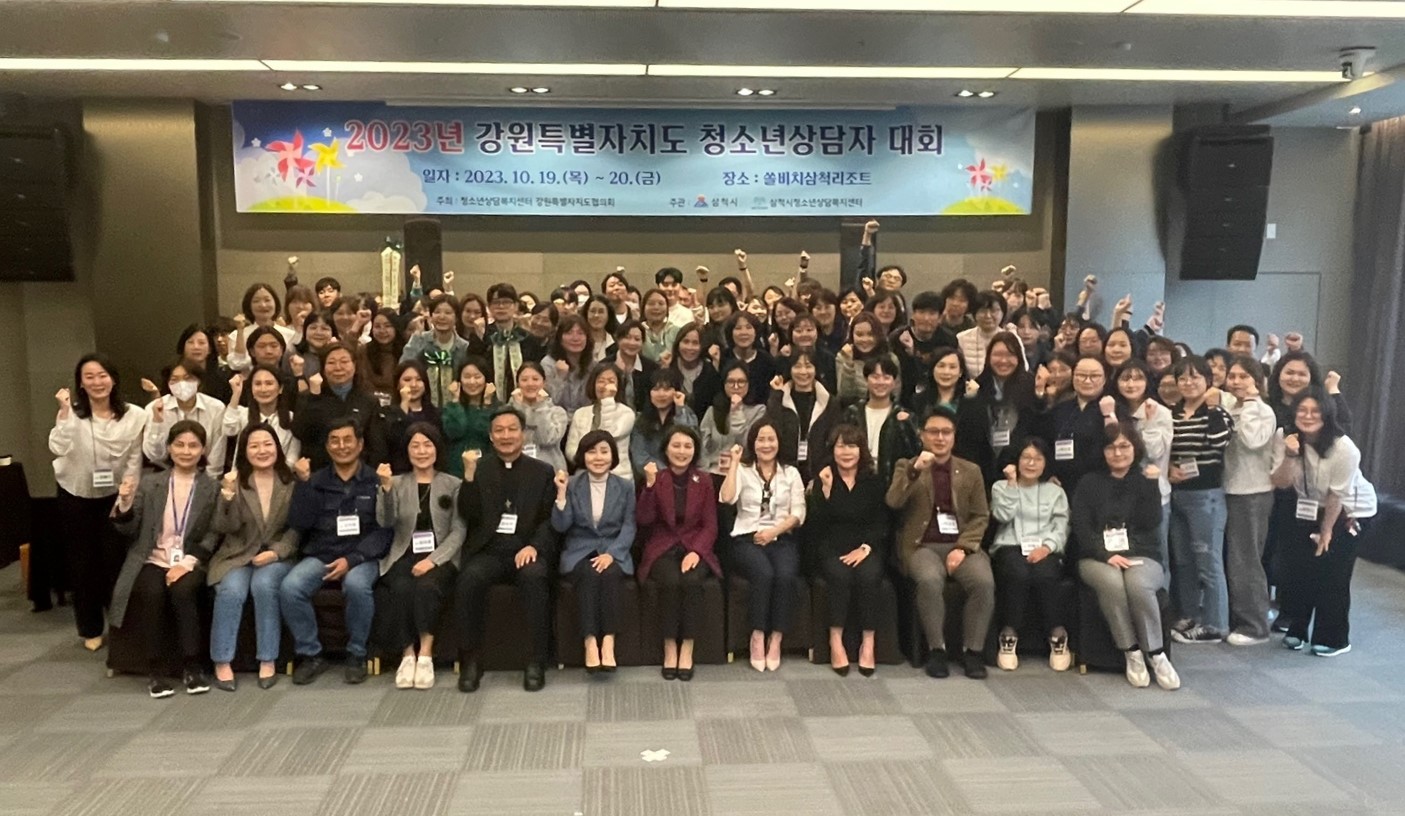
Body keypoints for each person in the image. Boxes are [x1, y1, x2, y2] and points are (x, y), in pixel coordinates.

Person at [108, 420, 220, 698]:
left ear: (203, 450)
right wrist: (124, 503)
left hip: (190, 560)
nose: (186, 451)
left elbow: (213, 533)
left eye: (193, 445)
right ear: (169, 448)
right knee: (151, 593)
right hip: (151, 558)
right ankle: (155, 671)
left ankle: (192, 666)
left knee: (183, 591)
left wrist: (188, 562)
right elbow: (128, 529)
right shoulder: (150, 483)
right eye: (179, 445)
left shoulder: (211, 487)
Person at [453, 407, 557, 692]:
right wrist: (469, 477)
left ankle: (536, 661)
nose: (506, 435)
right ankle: (471, 661)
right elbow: (469, 514)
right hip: (489, 550)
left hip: (526, 548)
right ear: (490, 436)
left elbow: (550, 519)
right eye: (499, 430)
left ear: (523, 434)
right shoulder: (480, 468)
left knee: (535, 577)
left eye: (512, 429)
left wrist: (535, 546)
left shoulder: (542, 471)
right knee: (468, 579)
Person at [1072, 421, 1181, 690]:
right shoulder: (1088, 483)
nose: (1118, 453)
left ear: (1135, 448)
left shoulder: (1146, 480)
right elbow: (1081, 528)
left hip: (1142, 555)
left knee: (1138, 583)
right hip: (1095, 557)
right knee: (1112, 582)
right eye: (1111, 447)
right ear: (1102, 451)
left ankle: (1156, 653)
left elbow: (1151, 524)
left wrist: (1153, 486)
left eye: (1124, 446)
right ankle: (1131, 651)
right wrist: (1105, 554)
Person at [886, 408, 993, 680]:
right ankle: (937, 650)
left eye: (946, 432)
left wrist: (963, 547)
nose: (940, 438)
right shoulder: (906, 465)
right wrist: (914, 472)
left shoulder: (971, 470)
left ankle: (973, 651)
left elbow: (980, 515)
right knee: (930, 580)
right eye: (933, 432)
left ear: (954, 436)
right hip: (921, 546)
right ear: (922, 435)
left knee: (983, 582)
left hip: (962, 544)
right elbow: (893, 502)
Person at [282, 419, 391, 685]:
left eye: (348, 440)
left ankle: (356, 654)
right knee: (290, 587)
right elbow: (300, 523)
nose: (342, 446)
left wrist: (352, 560)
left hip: (362, 557)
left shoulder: (375, 480)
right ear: (327, 446)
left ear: (360, 444)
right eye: (335, 440)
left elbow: (385, 530)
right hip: (323, 554)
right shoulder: (314, 481)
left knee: (356, 585)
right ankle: (311, 654)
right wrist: (303, 484)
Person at [49, 354, 147, 649]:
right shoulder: (72, 414)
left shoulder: (134, 415)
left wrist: (128, 494)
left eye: (102, 375)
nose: (97, 382)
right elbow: (57, 447)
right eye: (89, 377)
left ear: (113, 379)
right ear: (80, 383)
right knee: (82, 564)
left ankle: (120, 628)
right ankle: (90, 628)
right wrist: (64, 413)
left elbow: (134, 457)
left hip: (116, 495)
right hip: (75, 493)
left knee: (115, 563)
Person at [1270, 390, 1377, 657]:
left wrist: (1327, 530)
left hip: (1351, 510)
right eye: (1302, 410)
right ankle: (1298, 629)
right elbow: (1280, 482)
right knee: (1301, 568)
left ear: (1327, 415)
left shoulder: (1344, 448)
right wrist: (1290, 455)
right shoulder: (1285, 437)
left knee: (1333, 572)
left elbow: (1337, 495)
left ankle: (1334, 638)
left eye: (1315, 411)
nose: (1308, 416)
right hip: (1310, 507)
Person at [208, 424, 298, 691]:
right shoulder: (234, 481)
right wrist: (227, 497)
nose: (262, 450)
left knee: (264, 585)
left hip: (277, 556)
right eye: (254, 445)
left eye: (268, 444)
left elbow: (297, 528)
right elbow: (224, 527)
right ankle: (222, 660)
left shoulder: (291, 482)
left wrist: (276, 552)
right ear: (245, 451)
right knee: (231, 591)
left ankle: (268, 659)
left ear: (277, 448)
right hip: (238, 553)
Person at [375, 423, 465, 690]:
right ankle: (407, 655)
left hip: (441, 556)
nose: (422, 451)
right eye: (415, 446)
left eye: (427, 445)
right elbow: (385, 521)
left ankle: (425, 653)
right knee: (401, 588)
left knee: (427, 587)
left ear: (437, 449)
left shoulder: (453, 483)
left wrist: (432, 560)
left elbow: (459, 531)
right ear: (407, 450)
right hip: (404, 552)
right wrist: (386, 490)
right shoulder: (396, 482)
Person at [719, 420, 806, 672]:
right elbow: (726, 498)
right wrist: (734, 464)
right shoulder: (743, 470)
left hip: (781, 537)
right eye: (761, 439)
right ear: (752, 443)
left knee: (785, 576)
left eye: (771, 439)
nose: (766, 445)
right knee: (764, 574)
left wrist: (773, 532)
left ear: (779, 443)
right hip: (747, 538)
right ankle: (757, 636)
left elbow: (799, 513)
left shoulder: (791, 473)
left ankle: (775, 638)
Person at [637, 426, 721, 681]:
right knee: (671, 582)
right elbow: (644, 519)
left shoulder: (704, 480)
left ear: (695, 450)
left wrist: (697, 551)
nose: (681, 451)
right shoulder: (657, 478)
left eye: (687, 446)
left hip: (696, 546)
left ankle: (687, 647)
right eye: (676, 445)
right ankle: (670, 647)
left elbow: (710, 525)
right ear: (666, 449)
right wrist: (649, 487)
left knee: (692, 581)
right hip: (663, 546)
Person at [552, 430, 637, 673]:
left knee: (609, 574)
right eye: (591, 452)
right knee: (589, 574)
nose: (598, 457)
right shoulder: (571, 484)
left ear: (613, 456)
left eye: (604, 451)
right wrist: (561, 495)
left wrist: (612, 553)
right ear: (582, 456)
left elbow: (630, 526)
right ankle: (590, 642)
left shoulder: (625, 486)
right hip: (580, 550)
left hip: (613, 549)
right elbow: (561, 526)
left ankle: (608, 642)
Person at [808, 425, 888, 676]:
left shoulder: (873, 480)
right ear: (832, 450)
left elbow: (882, 521)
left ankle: (868, 643)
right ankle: (835, 641)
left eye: (852, 446)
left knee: (869, 576)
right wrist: (825, 491)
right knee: (840, 576)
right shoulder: (824, 477)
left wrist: (866, 547)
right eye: (840, 446)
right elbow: (816, 523)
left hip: (865, 545)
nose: (846, 452)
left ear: (861, 450)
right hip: (832, 546)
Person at [1167, 355, 1235, 644]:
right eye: (1182, 378)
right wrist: (1169, 470)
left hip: (1206, 497)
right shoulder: (1171, 413)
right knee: (1184, 562)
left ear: (1208, 380)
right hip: (1177, 495)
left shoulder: (1217, 413)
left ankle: (1216, 625)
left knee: (1208, 561)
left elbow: (1221, 443)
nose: (1188, 383)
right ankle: (1190, 615)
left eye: (1195, 377)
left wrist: (1212, 408)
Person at [990, 439, 1071, 672]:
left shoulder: (1055, 491)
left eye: (1037, 459)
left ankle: (1057, 634)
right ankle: (1009, 635)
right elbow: (1002, 516)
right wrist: (1012, 484)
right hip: (1010, 545)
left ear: (1046, 463)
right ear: (1016, 460)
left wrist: (1047, 547)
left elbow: (1062, 525)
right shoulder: (1000, 487)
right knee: (1018, 573)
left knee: (1046, 574)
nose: (1031, 463)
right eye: (1026, 457)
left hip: (1045, 547)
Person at [1220, 356, 1278, 647]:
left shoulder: (1262, 410)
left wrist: (1251, 403)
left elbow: (1252, 441)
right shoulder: (1230, 406)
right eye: (1232, 376)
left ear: (1257, 381)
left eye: (1244, 376)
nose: (1236, 382)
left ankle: (1255, 626)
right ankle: (1237, 617)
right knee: (1232, 560)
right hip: (1228, 489)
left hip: (1252, 493)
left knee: (1246, 561)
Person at [1114, 359, 1173, 581]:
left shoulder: (1159, 411)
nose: (1131, 384)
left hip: (1154, 493)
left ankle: (1161, 600)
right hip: (1121, 493)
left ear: (1148, 381)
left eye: (1138, 378)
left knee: (1158, 556)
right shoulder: (1115, 411)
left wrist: (1148, 423)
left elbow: (1155, 452)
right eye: (1125, 378)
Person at [291, 342, 388, 471]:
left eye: (344, 362)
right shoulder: (309, 397)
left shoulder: (368, 400)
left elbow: (377, 445)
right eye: (331, 363)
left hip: (360, 473)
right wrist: (314, 397)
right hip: (320, 472)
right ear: (323, 368)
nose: (338, 368)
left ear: (355, 365)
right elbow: (300, 432)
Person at [1037, 355, 1124, 494]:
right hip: (1062, 486)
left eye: (1094, 376)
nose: (1087, 381)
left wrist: (1109, 416)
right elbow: (1045, 444)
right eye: (1081, 375)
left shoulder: (1114, 409)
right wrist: (1049, 473)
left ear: (1104, 379)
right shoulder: (1060, 409)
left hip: (1103, 487)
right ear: (1073, 377)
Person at [141, 360, 228, 479]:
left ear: (198, 381)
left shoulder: (216, 408)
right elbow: (154, 455)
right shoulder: (154, 408)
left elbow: (217, 450)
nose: (182, 384)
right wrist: (157, 422)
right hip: (164, 473)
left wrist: (209, 482)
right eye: (174, 380)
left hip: (204, 474)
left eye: (187, 378)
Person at [844, 357, 917, 487]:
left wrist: (907, 425)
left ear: (894, 382)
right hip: (857, 481)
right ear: (866, 379)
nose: (880, 382)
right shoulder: (853, 412)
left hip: (893, 483)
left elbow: (914, 452)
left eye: (886, 377)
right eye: (875, 377)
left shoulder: (904, 416)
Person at [766, 351, 839, 482]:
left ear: (816, 369)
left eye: (808, 366)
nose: (803, 371)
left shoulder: (829, 402)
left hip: (820, 474)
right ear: (790, 369)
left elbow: (833, 441)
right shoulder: (780, 399)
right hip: (784, 474)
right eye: (797, 366)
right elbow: (771, 428)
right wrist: (776, 394)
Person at [565, 362, 635, 480]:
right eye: (601, 381)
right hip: (585, 475)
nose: (605, 386)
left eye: (611, 381)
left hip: (618, 476)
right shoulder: (580, 413)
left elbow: (608, 435)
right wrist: (589, 462)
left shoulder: (626, 413)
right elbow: (571, 450)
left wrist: (608, 400)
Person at [400, 294, 470, 408]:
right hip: (423, 407)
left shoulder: (464, 347)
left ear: (457, 318)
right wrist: (416, 337)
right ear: (431, 316)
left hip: (455, 408)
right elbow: (403, 367)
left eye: (448, 313)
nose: (442, 317)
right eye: (437, 312)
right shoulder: (420, 340)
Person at [699, 360, 766, 475]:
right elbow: (702, 448)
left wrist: (737, 412)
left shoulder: (759, 411)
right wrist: (705, 473)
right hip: (714, 472)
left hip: (744, 473)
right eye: (730, 381)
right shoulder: (712, 411)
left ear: (748, 384)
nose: (736, 386)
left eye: (741, 382)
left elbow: (748, 446)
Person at [892, 291, 958, 406]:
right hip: (903, 398)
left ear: (940, 317)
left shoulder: (948, 340)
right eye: (921, 312)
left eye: (932, 313)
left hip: (937, 398)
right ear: (913, 315)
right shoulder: (897, 338)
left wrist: (913, 353)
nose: (926, 318)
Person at [481, 282, 546, 396]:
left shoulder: (529, 339)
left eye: (506, 302)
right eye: (496, 302)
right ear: (489, 307)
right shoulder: (482, 336)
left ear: (516, 306)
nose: (501, 307)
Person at [632, 368, 698, 476]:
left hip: (684, 475)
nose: (661, 394)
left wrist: (680, 409)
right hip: (651, 476)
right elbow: (640, 456)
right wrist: (666, 473)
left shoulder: (686, 414)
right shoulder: (641, 420)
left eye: (667, 389)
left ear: (676, 391)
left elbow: (689, 442)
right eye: (656, 389)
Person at [442, 357, 499, 478]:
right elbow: (455, 431)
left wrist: (487, 404)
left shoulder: (497, 408)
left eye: (477, 377)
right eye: (467, 377)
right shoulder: (451, 407)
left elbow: (485, 432)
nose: (472, 382)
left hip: (487, 471)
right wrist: (455, 401)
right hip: (456, 471)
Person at [511, 361, 570, 473]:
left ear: (544, 383)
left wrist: (540, 407)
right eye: (524, 380)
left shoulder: (558, 413)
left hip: (550, 469)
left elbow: (546, 439)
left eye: (535, 379)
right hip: (517, 470)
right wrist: (520, 408)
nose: (530, 384)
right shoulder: (509, 412)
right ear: (518, 384)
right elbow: (513, 439)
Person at [226, 283, 296, 373]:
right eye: (256, 301)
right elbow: (237, 364)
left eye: (267, 300)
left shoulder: (290, 334)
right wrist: (240, 331)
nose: (263, 305)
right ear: (249, 305)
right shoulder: (237, 335)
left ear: (275, 302)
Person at [722, 312, 778, 407]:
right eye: (738, 328)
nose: (744, 332)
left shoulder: (767, 361)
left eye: (748, 327)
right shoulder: (723, 358)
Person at [543, 314, 594, 415]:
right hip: (556, 419)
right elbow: (548, 402)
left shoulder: (593, 365)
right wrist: (560, 378)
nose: (575, 338)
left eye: (580, 333)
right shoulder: (548, 363)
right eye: (569, 333)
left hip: (585, 419)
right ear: (559, 338)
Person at [669, 322, 721, 419]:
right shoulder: (669, 367)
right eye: (686, 342)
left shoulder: (710, 371)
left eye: (695, 343)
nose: (690, 347)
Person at [605, 320, 657, 411]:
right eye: (627, 338)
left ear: (643, 342)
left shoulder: (652, 368)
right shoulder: (605, 366)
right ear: (618, 339)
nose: (632, 343)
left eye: (637, 339)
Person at [956, 291, 1009, 377]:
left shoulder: (1012, 339)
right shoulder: (961, 338)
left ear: (1003, 313)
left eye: (993, 311)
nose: (988, 316)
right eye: (982, 311)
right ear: (974, 313)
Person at [358, 309, 406, 402]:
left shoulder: (406, 351)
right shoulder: (364, 350)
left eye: (387, 326)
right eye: (377, 326)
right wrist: (357, 325)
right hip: (370, 402)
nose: (382, 331)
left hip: (400, 401)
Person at [177, 324, 233, 404]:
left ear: (210, 349)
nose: (196, 347)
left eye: (201, 343)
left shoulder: (223, 378)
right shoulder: (173, 376)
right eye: (191, 342)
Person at [640, 288, 679, 363]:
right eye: (651, 303)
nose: (656, 307)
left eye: (661, 304)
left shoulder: (677, 332)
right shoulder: (637, 331)